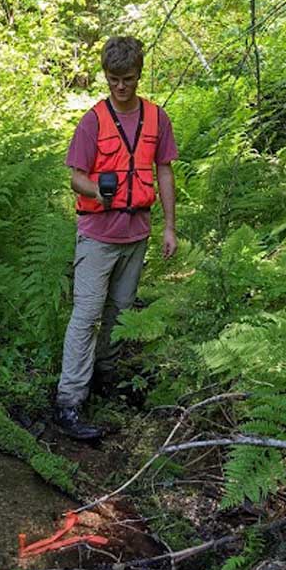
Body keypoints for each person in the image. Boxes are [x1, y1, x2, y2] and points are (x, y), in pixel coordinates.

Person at [54, 35, 178, 440]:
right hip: (97, 235)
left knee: (119, 314)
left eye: (126, 79)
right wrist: (98, 191)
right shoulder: (93, 121)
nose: (120, 87)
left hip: (137, 232)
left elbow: (164, 172)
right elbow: (75, 177)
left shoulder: (157, 119)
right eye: (112, 80)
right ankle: (69, 402)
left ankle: (105, 377)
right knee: (86, 316)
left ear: (139, 75)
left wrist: (170, 226)